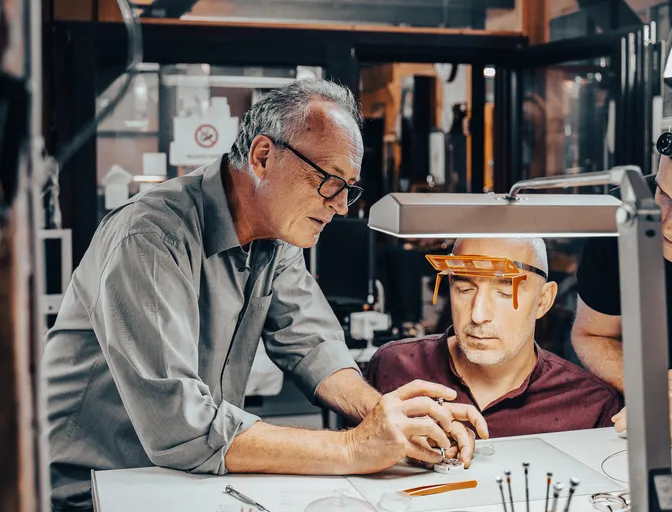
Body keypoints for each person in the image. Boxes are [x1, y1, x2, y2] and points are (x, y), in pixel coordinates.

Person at [43, 79, 487, 511]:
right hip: (96, 490)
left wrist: (391, 419)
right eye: (330, 181)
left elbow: (313, 346)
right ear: (262, 156)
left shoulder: (276, 238)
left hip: (181, 481)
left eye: (349, 189)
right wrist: (355, 446)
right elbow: (181, 426)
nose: (340, 206)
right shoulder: (150, 237)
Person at [573, 101, 672, 445]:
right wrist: (645, 381)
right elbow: (592, 335)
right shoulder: (625, 217)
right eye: (663, 193)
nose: (668, 223)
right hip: (647, 431)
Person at [368, 238, 622, 438]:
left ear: (543, 301)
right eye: (465, 289)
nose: (478, 315)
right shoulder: (394, 367)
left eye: (503, 293)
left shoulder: (591, 405)